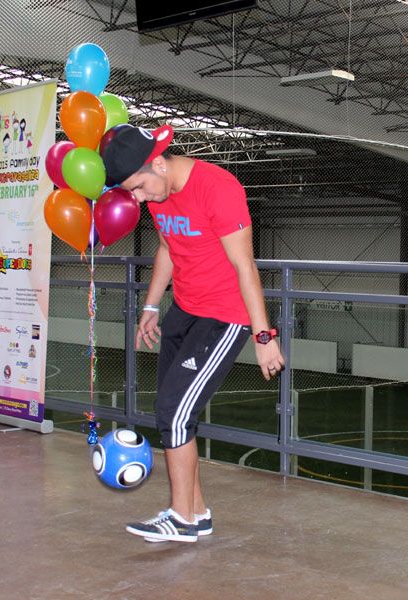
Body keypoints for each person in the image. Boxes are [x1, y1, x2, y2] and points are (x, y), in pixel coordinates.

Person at [101, 124, 285, 543]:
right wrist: (151, 305)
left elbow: (246, 267)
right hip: (184, 311)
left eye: (141, 188)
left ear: (160, 163)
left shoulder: (217, 188)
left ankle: (181, 517)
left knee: (174, 413)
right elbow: (168, 246)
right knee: (173, 414)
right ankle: (196, 512)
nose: (140, 198)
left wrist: (263, 336)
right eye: (134, 193)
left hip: (225, 316)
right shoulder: (156, 190)